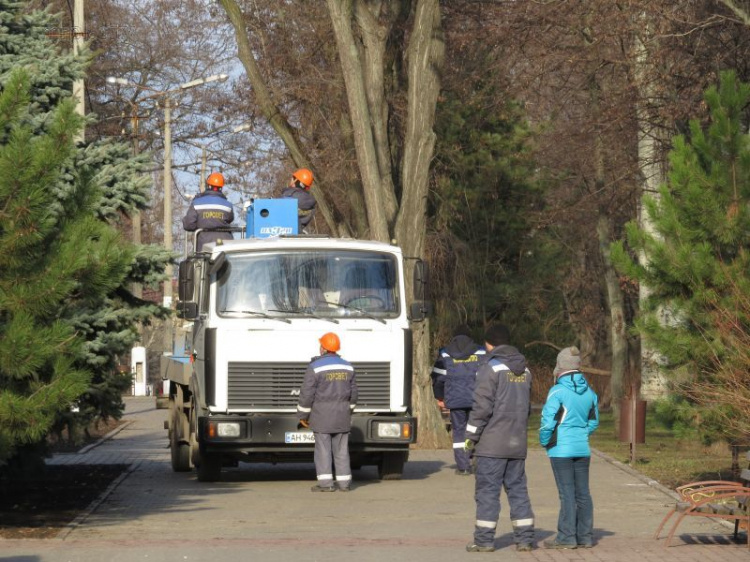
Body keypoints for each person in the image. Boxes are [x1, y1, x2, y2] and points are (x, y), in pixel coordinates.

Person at [464, 324, 535, 553]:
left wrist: (470, 437)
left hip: (491, 445)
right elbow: (528, 409)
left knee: (487, 492)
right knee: (518, 490)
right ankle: (525, 539)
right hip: (517, 443)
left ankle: (484, 540)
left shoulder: (490, 368)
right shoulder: (526, 371)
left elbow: (481, 408)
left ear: (490, 344)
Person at [539, 346, 599, 550]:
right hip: (583, 449)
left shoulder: (557, 391)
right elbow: (593, 421)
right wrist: (582, 436)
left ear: (560, 366)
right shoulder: (590, 392)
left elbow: (547, 422)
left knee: (567, 493)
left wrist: (545, 440)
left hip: (561, 449)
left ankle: (566, 537)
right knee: (583, 493)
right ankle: (585, 536)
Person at [297, 332, 358, 492]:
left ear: (323, 348)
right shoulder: (348, 366)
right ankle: (344, 484)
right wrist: (348, 411)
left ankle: (326, 485)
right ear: (336, 348)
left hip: (322, 417)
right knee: (342, 451)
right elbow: (354, 395)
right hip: (342, 416)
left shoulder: (315, 367)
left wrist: (303, 415)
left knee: (323, 450)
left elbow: (307, 394)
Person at [430, 324, 486, 475]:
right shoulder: (481, 351)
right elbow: (489, 375)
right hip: (478, 399)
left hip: (455, 400)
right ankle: (476, 460)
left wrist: (439, 397)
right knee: (475, 430)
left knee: (459, 432)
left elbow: (438, 377)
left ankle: (463, 466)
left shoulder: (446, 353)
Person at [182, 172, 234, 250]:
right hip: (225, 245)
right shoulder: (228, 205)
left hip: (204, 246)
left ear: (208, 185)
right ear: (221, 187)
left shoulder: (196, 203)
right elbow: (230, 219)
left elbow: (188, 225)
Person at [281, 168, 316, 233]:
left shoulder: (287, 197)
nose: (291, 179)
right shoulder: (312, 203)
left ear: (296, 181)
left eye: (293, 178)